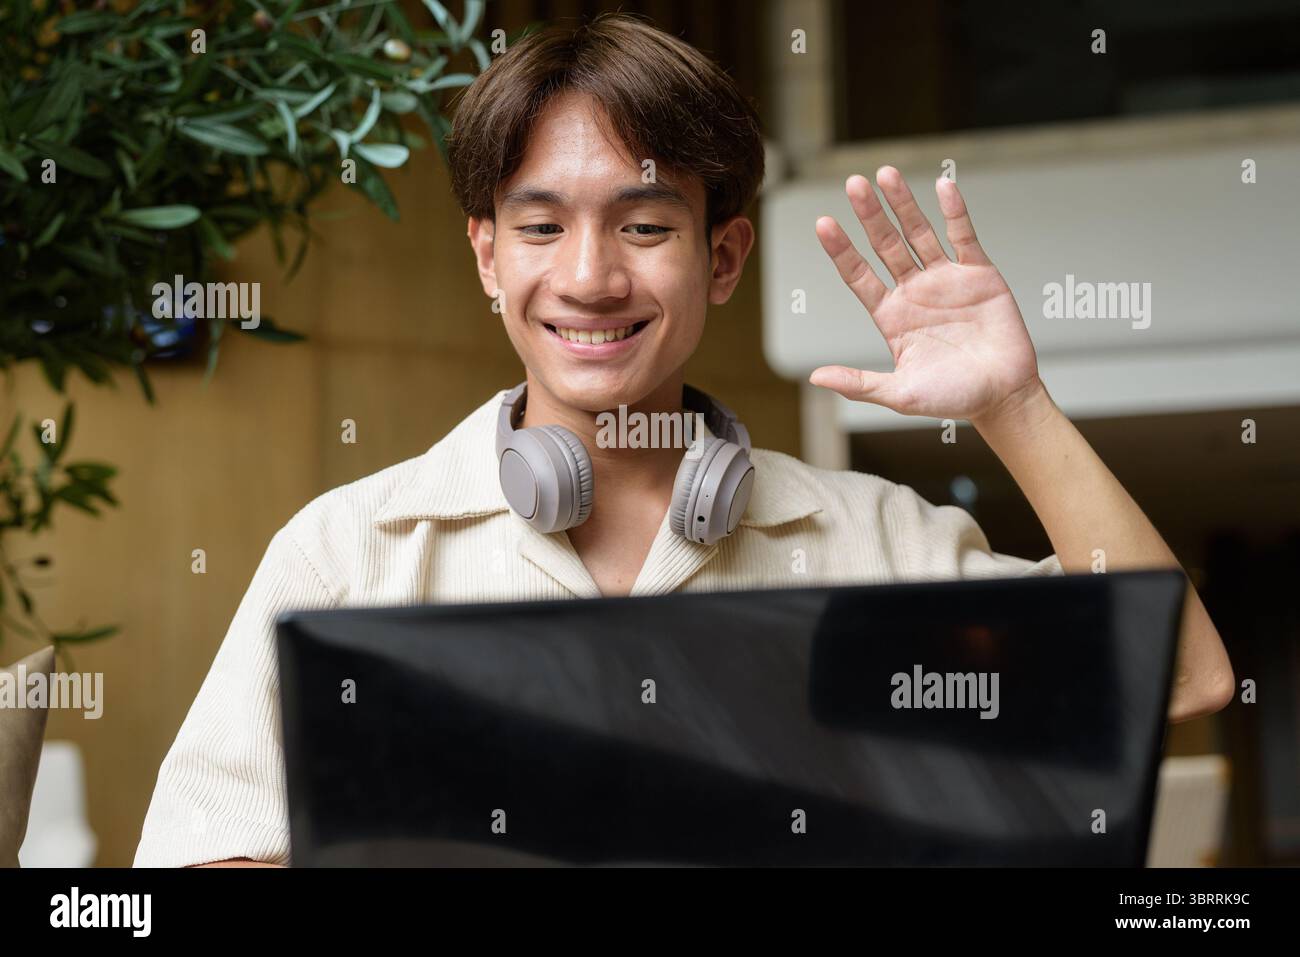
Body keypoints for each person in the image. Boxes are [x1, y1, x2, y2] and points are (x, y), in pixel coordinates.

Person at [134, 14, 1233, 868]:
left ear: (721, 257)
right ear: (486, 257)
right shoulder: (346, 550)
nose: (587, 276)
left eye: (646, 224)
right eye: (540, 225)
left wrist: (1014, 405)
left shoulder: (871, 536)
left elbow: (1181, 676)